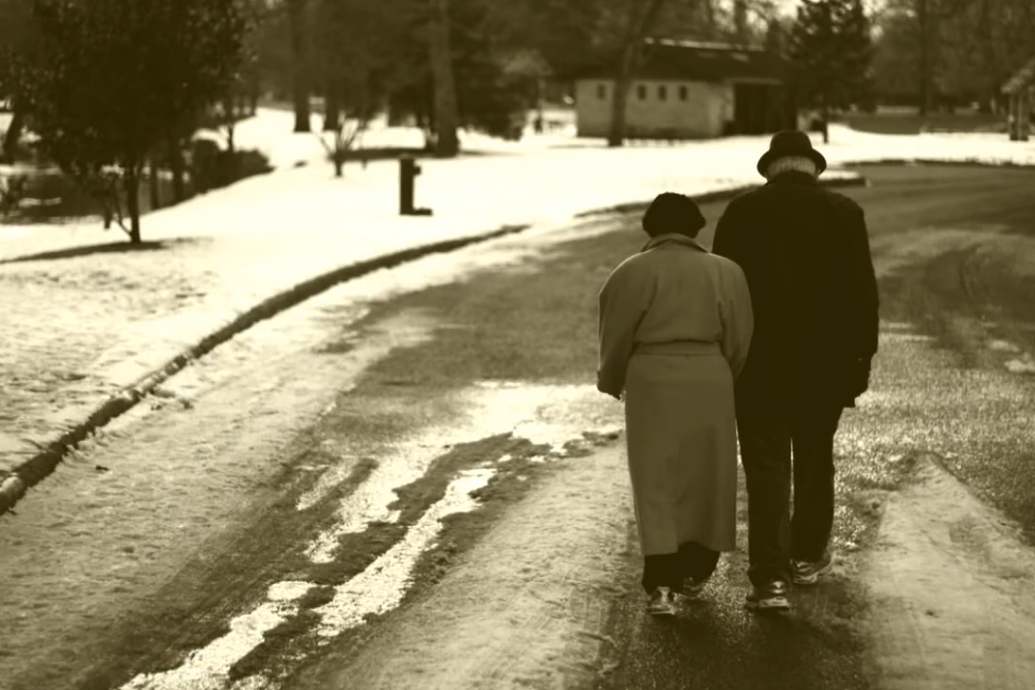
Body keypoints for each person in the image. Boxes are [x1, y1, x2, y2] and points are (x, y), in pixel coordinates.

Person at [712, 130, 879, 612]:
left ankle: (769, 581)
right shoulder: (846, 214)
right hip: (824, 367)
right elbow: (863, 295)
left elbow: (723, 292)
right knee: (813, 457)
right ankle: (806, 557)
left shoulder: (742, 213)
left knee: (765, 466)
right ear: (812, 168)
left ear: (771, 169)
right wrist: (860, 360)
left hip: (757, 363)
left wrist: (722, 358)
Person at [597, 192, 754, 617]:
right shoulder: (727, 272)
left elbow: (615, 336)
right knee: (708, 475)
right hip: (710, 374)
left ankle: (661, 582)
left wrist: (611, 379)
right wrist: (723, 374)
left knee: (656, 477)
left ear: (650, 228)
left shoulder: (630, 272)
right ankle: (697, 564)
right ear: (696, 227)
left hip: (651, 377)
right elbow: (740, 339)